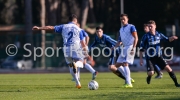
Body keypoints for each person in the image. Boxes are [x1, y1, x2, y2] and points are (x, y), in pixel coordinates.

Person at [32, 14, 93, 89]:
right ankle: (76, 65)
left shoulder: (64, 26)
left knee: (70, 65)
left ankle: (77, 83)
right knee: (80, 61)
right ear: (75, 21)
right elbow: (82, 43)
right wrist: (86, 53)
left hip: (66, 48)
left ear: (69, 20)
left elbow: (50, 27)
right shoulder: (78, 29)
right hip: (76, 47)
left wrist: (39, 28)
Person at [139, 20, 180, 87]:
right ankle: (149, 76)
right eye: (149, 27)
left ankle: (176, 83)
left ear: (155, 26)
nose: (150, 28)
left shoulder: (159, 35)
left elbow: (167, 39)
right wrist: (141, 59)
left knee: (169, 69)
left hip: (158, 57)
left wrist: (172, 38)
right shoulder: (145, 36)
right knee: (151, 73)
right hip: (150, 58)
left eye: (151, 26)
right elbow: (141, 48)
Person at [113, 14, 138, 88]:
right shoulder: (121, 29)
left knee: (125, 64)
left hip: (130, 46)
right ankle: (128, 78)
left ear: (127, 19)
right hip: (124, 48)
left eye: (124, 19)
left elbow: (136, 37)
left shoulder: (131, 27)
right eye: (121, 19)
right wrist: (115, 47)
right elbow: (119, 41)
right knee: (116, 65)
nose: (122, 21)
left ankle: (129, 83)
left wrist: (134, 47)